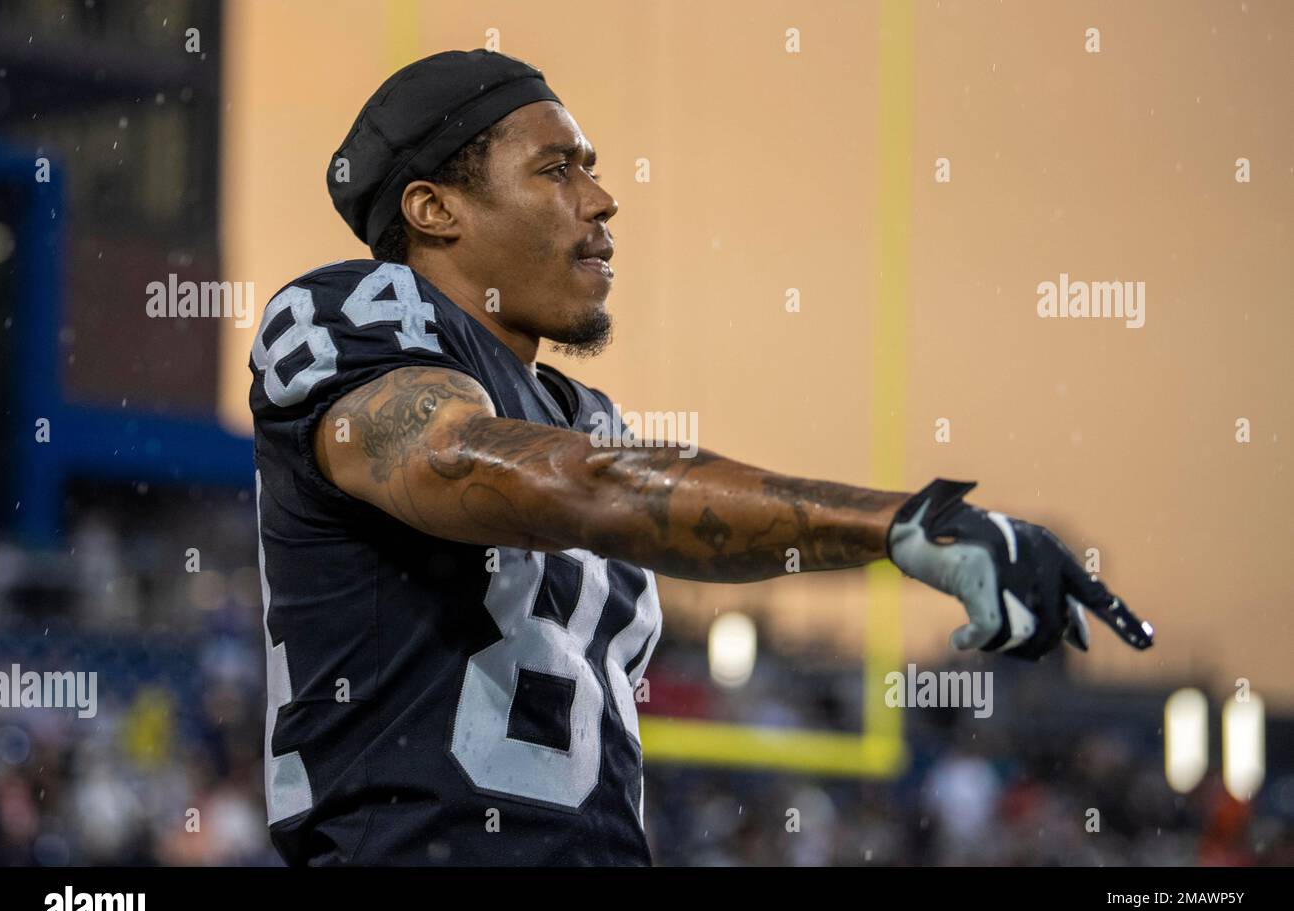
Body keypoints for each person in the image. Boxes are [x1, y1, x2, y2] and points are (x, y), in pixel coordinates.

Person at [248, 49, 1153, 866]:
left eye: (592, 170)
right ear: (434, 208)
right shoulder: (357, 317)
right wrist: (900, 524)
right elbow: (499, 471)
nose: (600, 200)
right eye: (557, 168)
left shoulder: (584, 417)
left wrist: (899, 546)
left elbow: (661, 508)